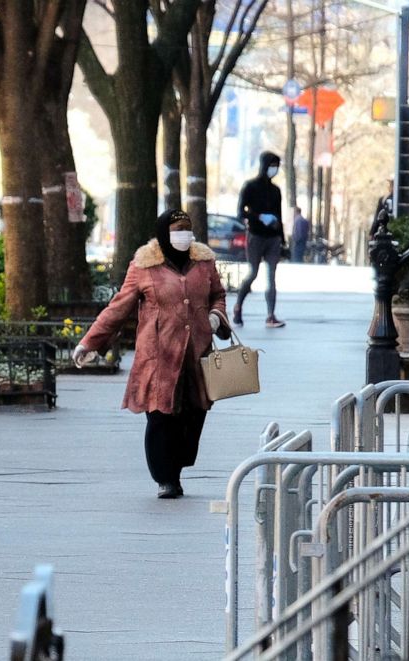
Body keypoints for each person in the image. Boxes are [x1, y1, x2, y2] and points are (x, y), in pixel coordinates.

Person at [72, 209, 231, 499]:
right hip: (159, 356)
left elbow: (217, 294)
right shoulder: (144, 266)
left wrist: (217, 316)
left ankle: (176, 466)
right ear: (163, 234)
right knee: (160, 418)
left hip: (197, 355)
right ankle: (165, 479)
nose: (184, 234)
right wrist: (89, 343)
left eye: (187, 228)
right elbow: (118, 307)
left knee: (193, 417)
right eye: (177, 229)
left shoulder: (204, 262)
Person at [233, 151, 286, 328]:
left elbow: (279, 214)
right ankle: (238, 305)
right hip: (255, 236)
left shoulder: (276, 191)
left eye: (277, 166)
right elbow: (241, 211)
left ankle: (271, 315)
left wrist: (282, 236)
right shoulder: (250, 186)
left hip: (273, 238)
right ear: (264, 166)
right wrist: (259, 217)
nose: (275, 169)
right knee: (253, 273)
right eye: (272, 165)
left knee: (272, 276)